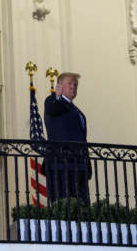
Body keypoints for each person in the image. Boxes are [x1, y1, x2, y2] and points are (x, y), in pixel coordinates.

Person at [43, 72, 91, 203]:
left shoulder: (76, 110)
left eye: (75, 84)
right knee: (63, 205)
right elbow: (53, 109)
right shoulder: (52, 101)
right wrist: (57, 96)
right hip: (61, 162)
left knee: (81, 205)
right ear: (59, 86)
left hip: (79, 164)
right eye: (69, 83)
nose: (73, 87)